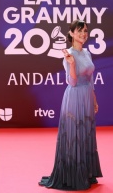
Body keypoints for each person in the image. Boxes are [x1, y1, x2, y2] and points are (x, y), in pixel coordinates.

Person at [39, 20, 103, 190]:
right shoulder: (68, 53)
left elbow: (90, 79)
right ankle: (73, 175)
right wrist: (72, 64)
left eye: (86, 31)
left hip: (87, 96)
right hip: (74, 97)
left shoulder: (87, 52)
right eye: (80, 31)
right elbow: (72, 82)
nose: (83, 34)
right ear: (72, 33)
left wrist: (94, 98)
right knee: (75, 135)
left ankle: (87, 173)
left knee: (86, 134)